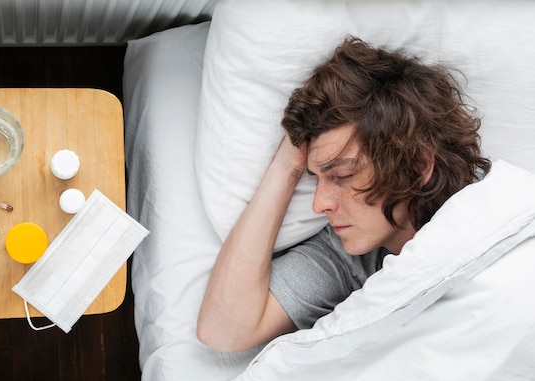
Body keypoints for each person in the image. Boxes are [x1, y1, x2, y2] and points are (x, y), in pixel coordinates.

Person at [196, 36, 491, 353]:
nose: (319, 203)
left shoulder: (495, 211)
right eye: (316, 178)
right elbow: (223, 331)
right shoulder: (350, 256)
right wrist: (286, 168)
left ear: (418, 166)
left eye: (343, 175)